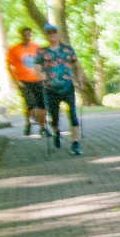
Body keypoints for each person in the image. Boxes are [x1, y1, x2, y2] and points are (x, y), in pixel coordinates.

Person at [35, 24, 83, 154]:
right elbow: (37, 68)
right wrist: (41, 75)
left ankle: (75, 143)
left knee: (72, 114)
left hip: (67, 86)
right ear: (46, 35)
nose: (52, 34)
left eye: (54, 32)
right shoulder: (42, 52)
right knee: (54, 117)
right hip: (50, 88)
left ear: (58, 33)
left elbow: (77, 65)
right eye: (49, 33)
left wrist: (79, 79)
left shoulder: (67, 49)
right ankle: (56, 132)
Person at [6, 27, 45, 137]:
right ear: (21, 35)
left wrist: (43, 75)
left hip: (37, 80)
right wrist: (16, 80)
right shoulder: (14, 50)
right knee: (30, 103)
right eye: (25, 35)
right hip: (23, 81)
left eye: (29, 34)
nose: (27, 37)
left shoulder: (37, 48)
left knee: (42, 104)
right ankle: (29, 123)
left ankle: (43, 127)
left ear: (31, 35)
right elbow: (9, 66)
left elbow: (43, 62)